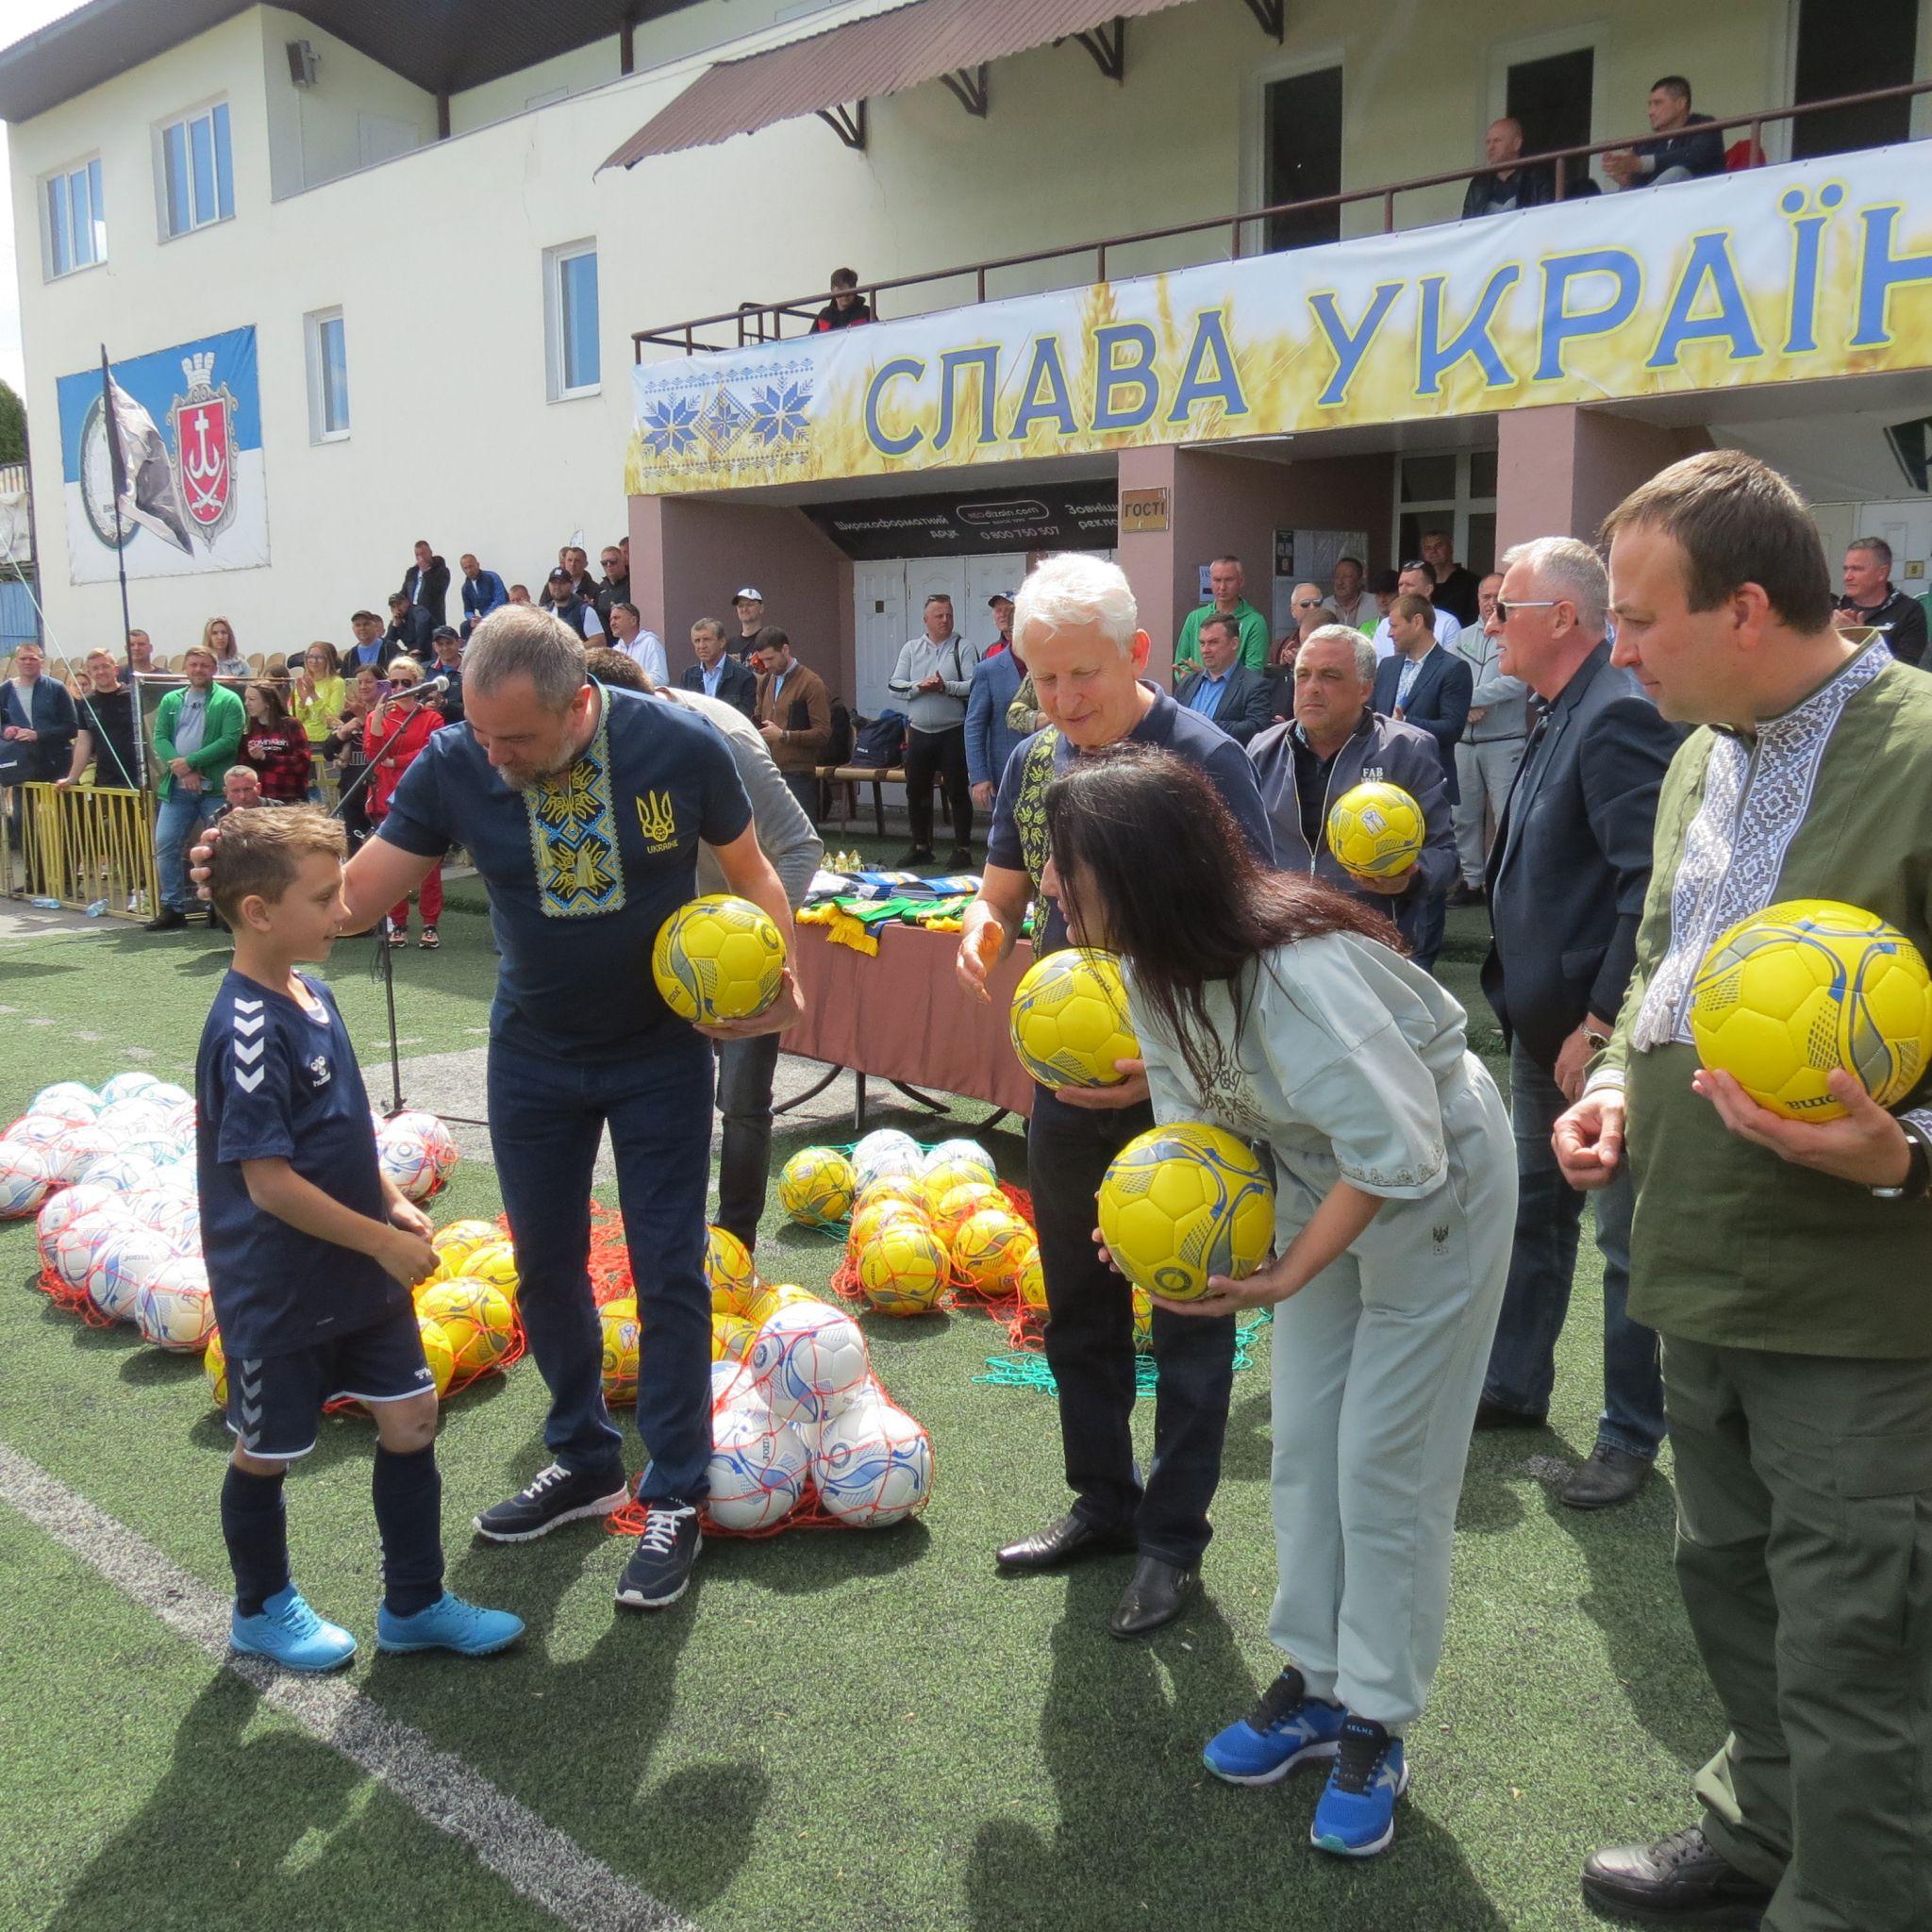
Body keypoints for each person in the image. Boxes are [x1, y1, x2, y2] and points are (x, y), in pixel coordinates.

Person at [206, 607, 800, 1614]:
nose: (493, 754)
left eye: (514, 738)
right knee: (545, 1266)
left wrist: (781, 984)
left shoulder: (678, 744)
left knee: (668, 1265)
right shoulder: (450, 764)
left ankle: (673, 1492)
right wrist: (239, 881)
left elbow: (750, 873)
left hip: (658, 1055)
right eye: (481, 733)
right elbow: (348, 902)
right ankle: (583, 1458)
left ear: (578, 705)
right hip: (530, 1055)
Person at [1557, 451, 1932, 1930]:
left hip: (1858, 1311)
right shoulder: (1707, 747)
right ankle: (1765, 1836)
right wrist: (1604, 1097)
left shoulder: (1922, 749)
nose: (1618, 648)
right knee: (1730, 1591)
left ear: (1751, 608)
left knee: (1859, 1642)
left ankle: (1853, 1904)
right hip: (1693, 1267)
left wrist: (1911, 1153)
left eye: (1639, 620)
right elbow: (1668, 961)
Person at [1047, 749, 1511, 1861]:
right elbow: (1193, 1138)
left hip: (1431, 1184)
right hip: (1321, 1186)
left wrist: (1289, 1270)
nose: (1056, 891)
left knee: (1382, 1466)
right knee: (1305, 1443)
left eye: (1070, 871)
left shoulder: (1298, 972)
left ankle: (1376, 1721)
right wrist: (1159, 1229)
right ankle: (1314, 1679)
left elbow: (1396, 1147)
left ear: (1140, 871)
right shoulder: (1153, 968)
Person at [958, 553, 1274, 1639]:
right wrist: (983, 929)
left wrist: (1174, 1045)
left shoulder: (1206, 761)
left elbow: (1258, 930)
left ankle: (1172, 1541)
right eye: (1041, 681)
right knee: (1076, 1305)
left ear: (1141, 654)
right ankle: (1101, 1496)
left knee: (1187, 1310)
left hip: (1183, 1086)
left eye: (1081, 676)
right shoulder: (1037, 755)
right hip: (1065, 1086)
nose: (1061, 702)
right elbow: (1000, 880)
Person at [196, 805, 522, 1673]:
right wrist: (379, 1244)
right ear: (259, 913)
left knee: (412, 1419)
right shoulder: (246, 1033)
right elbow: (268, 1182)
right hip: (284, 1285)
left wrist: (389, 1200)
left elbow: (339, 1129)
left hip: (361, 1271)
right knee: (267, 1451)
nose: (344, 910)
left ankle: (414, 1605)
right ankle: (261, 1609)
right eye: (322, 895)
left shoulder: (317, 991)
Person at [1476, 537, 1677, 1511]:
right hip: (1536, 1023)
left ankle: (1628, 1432)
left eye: (1502, 606)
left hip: (1588, 1040)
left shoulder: (1614, 717)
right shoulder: (1558, 708)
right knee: (1531, 1211)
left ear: (1559, 617)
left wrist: (1598, 1021)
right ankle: (1513, 1384)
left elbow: (1650, 886)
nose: (1489, 623)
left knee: (1619, 1237)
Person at [644, 669, 822, 1254]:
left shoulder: (725, 742)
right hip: (669, 939)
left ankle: (736, 1242)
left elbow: (800, 846)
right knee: (667, 1095)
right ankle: (674, 1241)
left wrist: (754, 948)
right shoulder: (598, 742)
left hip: (742, 939)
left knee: (742, 1103)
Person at [1249, 625, 1457, 964]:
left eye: (1330, 676)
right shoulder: (1263, 749)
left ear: (1365, 689)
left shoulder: (1406, 749)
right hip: (1280, 944)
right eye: (1303, 675)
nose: (1312, 688)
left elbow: (1444, 856)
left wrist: (1407, 879)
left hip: (1369, 946)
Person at [1372, 595, 1471, 971]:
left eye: (1395, 625)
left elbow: (1452, 727)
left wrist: (1406, 722)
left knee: (1427, 870)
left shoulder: (1452, 669)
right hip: (1384, 784)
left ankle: (1425, 963)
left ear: (1417, 622)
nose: (1390, 633)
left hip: (1429, 781)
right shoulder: (1388, 666)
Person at [144, 644, 244, 930]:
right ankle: (173, 906)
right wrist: (181, 768)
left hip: (214, 788)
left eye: (204, 665)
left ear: (213, 668)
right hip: (177, 787)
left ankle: (222, 907)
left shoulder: (228, 700)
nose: (198, 670)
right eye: (193, 665)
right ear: (185, 668)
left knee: (221, 847)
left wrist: (190, 762)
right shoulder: (171, 700)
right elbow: (160, 737)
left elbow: (228, 740)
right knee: (165, 841)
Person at [1446, 573, 1528, 905]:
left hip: (1503, 741)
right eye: (1485, 596)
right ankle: (1470, 882)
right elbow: (1449, 679)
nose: (1491, 602)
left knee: (1506, 813)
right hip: (1464, 743)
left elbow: (1518, 681)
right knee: (1463, 817)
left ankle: (1501, 885)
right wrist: (1465, 705)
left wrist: (1470, 699)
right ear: (1477, 599)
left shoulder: (1516, 634)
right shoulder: (1461, 638)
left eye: (1497, 595)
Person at [888, 593, 980, 867]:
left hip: (952, 731)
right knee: (916, 791)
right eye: (939, 615)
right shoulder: (911, 648)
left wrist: (945, 687)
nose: (945, 620)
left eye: (949, 615)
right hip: (918, 732)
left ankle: (962, 849)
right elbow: (894, 685)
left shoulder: (963, 646)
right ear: (925, 620)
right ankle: (921, 846)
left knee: (957, 791)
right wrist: (920, 686)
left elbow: (975, 685)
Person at [363, 659, 446, 949]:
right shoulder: (383, 716)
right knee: (392, 867)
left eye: (405, 683)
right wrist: (376, 718)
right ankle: (398, 922)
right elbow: (373, 753)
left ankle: (430, 923)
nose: (399, 689)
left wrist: (396, 760)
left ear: (418, 685)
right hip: (388, 799)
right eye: (393, 683)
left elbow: (429, 752)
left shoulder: (431, 718)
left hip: (423, 798)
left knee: (429, 866)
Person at [751, 625, 831, 824]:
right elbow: (759, 717)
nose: (766, 664)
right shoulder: (766, 680)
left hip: (799, 773)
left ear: (785, 650)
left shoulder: (812, 683)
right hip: (769, 770)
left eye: (770, 659)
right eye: (763, 660)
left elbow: (822, 734)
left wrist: (784, 735)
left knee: (802, 836)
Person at [1603, 75, 1724, 189]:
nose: (1650, 112)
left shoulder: (1705, 125)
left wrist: (1642, 164)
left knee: (1678, 172)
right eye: (1650, 105)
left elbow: (1697, 154)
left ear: (1680, 104)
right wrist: (1626, 181)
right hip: (1658, 209)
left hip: (1703, 203)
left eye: (1657, 103)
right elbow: (1641, 185)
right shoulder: (1646, 144)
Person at [1174, 613, 1274, 745]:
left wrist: (1206, 725)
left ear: (1234, 643)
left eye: (1213, 642)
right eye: (1202, 643)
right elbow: (1173, 720)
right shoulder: (1188, 683)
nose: (1205, 650)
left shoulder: (1254, 685)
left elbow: (1257, 728)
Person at [1837, 535, 1927, 668]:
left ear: (1882, 573)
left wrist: (1859, 639)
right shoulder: (1833, 609)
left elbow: (1904, 671)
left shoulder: (1909, 611)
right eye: (1846, 569)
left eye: (1857, 569)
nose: (1847, 577)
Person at [1173, 556, 1270, 675]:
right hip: (1195, 692)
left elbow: (1254, 671)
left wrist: (1207, 677)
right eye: (1217, 580)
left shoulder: (1254, 622)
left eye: (1229, 580)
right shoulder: (1195, 618)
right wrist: (1188, 679)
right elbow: (1180, 663)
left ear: (1241, 581)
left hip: (1234, 694)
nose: (1222, 587)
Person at [3, 641, 80, 789]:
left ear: (42, 662)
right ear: (16, 662)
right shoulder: (6, 690)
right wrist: (6, 730)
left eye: (33, 659)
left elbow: (72, 727)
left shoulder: (57, 688)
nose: (28, 662)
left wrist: (38, 735)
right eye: (23, 658)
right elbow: (2, 722)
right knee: (24, 812)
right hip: (22, 766)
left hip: (56, 764)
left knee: (63, 810)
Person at [60, 650, 142, 791]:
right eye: (95, 668)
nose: (101, 671)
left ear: (115, 669)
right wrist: (72, 777)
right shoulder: (86, 702)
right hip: (106, 780)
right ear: (90, 673)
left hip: (138, 779)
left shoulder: (134, 696)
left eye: (105, 666)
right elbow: (84, 743)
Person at [966, 628, 1027, 813]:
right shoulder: (988, 670)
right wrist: (979, 776)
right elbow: (974, 725)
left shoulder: (1050, 665)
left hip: (1048, 768)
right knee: (1007, 837)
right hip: (1005, 772)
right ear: (1011, 633)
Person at [325, 665, 383, 852]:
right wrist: (343, 731)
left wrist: (365, 718)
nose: (363, 686)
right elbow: (327, 751)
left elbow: (383, 742)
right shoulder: (347, 716)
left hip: (378, 790)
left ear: (380, 684)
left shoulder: (388, 712)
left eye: (369, 681)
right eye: (359, 683)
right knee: (355, 847)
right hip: (352, 789)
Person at [1460, 116, 1555, 219]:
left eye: (1497, 140)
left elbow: (1547, 219)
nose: (1491, 147)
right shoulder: (1478, 184)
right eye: (1488, 142)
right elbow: (1467, 226)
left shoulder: (1537, 177)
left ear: (1516, 144)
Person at [240, 680, 315, 805]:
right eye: (246, 699)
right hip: (261, 800)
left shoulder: (291, 725)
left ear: (268, 702)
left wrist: (266, 758)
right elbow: (243, 767)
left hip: (291, 797)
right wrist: (254, 759)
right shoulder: (249, 731)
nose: (247, 704)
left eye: (252, 699)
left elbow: (302, 763)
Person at [1368, 563, 1461, 659]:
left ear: (1428, 589)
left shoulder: (1448, 623)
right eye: (1400, 585)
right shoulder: (1384, 625)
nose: (1403, 591)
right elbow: (1376, 668)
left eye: (1409, 585)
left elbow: (1451, 667)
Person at [680, 618, 757, 717]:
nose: (701, 646)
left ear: (722, 642)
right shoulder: (688, 676)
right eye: (697, 641)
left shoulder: (744, 676)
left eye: (706, 639)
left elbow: (745, 717)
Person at [291, 643, 345, 770]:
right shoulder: (303, 682)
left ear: (328, 660)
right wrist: (302, 701)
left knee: (325, 785)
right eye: (310, 657)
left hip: (324, 740)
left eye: (319, 657)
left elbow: (332, 718)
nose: (314, 661)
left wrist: (314, 695)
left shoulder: (336, 683)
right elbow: (295, 719)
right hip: (303, 739)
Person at [1421, 531, 1482, 628]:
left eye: (1439, 546)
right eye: (1428, 548)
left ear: (1450, 548)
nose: (1433, 551)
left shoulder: (1471, 582)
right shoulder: (1420, 584)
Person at [608, 602, 668, 686]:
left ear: (633, 621)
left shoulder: (650, 643)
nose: (612, 623)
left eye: (617, 618)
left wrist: (629, 680)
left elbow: (661, 678)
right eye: (611, 620)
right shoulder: (615, 651)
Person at [541, 567, 604, 641]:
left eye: (562, 583)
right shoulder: (544, 613)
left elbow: (599, 642)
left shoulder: (585, 611)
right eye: (553, 583)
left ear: (572, 586)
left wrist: (569, 651)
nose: (557, 587)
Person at [401, 540, 449, 629]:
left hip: (432, 616)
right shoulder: (412, 572)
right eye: (417, 555)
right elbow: (404, 593)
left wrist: (426, 573)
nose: (421, 558)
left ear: (430, 553)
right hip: (412, 616)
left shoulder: (442, 571)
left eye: (423, 554)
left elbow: (438, 591)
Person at [458, 554, 508, 637]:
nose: (469, 570)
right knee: (465, 627)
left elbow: (500, 600)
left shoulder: (492, 577)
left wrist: (484, 618)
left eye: (471, 566)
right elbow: (467, 610)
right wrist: (472, 618)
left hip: (501, 615)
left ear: (477, 565)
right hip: (483, 620)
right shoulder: (465, 588)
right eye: (466, 568)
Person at [813, 267, 873, 331]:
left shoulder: (866, 313)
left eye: (849, 289)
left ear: (855, 289)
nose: (845, 295)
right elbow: (812, 339)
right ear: (832, 290)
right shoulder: (824, 315)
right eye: (841, 289)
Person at [428, 629, 465, 726]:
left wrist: (445, 704)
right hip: (431, 729)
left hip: (462, 729)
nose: (445, 648)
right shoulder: (425, 670)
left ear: (459, 643)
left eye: (449, 643)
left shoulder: (472, 669)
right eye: (440, 644)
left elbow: (475, 709)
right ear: (434, 647)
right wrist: (424, 707)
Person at [385, 591, 434, 663]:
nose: (397, 608)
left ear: (406, 603)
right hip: (413, 654)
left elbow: (423, 625)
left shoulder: (418, 611)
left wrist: (419, 647)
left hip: (430, 651)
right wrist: (394, 626)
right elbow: (388, 643)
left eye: (399, 604)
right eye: (393, 607)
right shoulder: (396, 621)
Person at [593, 543, 631, 631]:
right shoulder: (601, 588)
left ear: (623, 561)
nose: (609, 565)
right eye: (604, 563)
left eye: (613, 562)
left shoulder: (634, 583)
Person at [203, 616, 250, 680]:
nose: (220, 637)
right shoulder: (202, 665)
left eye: (224, 632)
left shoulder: (241, 664)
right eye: (214, 633)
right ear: (208, 638)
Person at [342, 610, 389, 675]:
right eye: (358, 625)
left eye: (366, 624)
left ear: (374, 627)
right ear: (353, 629)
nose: (362, 628)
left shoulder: (389, 648)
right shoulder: (350, 656)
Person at [1328, 557, 1367, 630]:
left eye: (1347, 577)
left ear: (1360, 581)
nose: (1340, 582)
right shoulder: (1323, 606)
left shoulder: (1376, 605)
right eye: (1337, 576)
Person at [731, 587, 765, 656]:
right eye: (740, 606)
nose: (744, 609)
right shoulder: (730, 645)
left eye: (750, 605)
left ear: (761, 608)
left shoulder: (769, 640)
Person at [986, 591, 1015, 655]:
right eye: (998, 610)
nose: (1002, 614)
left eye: (1007, 610)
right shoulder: (990, 652)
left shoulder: (1029, 646)